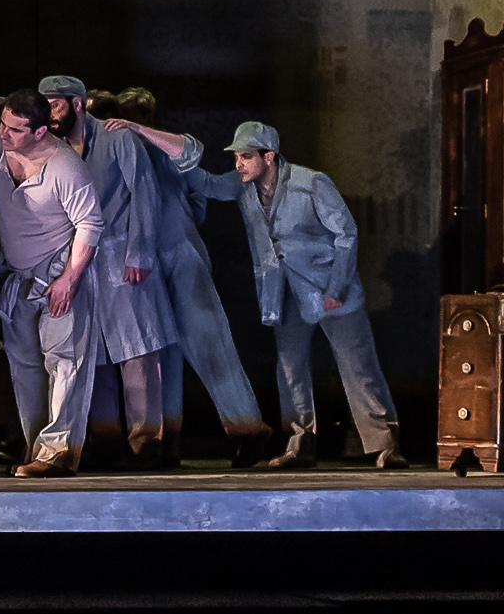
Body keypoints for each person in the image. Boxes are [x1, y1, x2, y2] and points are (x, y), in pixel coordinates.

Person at [176, 121, 402, 469]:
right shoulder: (242, 186)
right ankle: (299, 445)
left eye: (246, 156)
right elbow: (207, 185)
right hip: (283, 293)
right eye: (236, 156)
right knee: (290, 370)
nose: (239, 164)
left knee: (359, 367)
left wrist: (336, 288)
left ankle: (385, 444)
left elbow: (346, 234)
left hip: (329, 290)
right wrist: (173, 154)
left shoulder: (311, 184)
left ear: (269, 156)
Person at [100, 101, 276, 466]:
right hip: (152, 255)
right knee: (162, 351)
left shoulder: (154, 148)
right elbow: (198, 198)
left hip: (173, 252)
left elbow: (194, 169)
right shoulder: (118, 151)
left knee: (207, 345)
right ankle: (170, 444)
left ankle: (247, 430)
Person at [41, 73, 183, 467]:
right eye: (46, 107)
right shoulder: (53, 149)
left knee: (138, 351)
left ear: (76, 103)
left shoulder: (118, 138)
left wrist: (140, 252)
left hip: (122, 258)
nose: (50, 114)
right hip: (83, 264)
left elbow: (144, 192)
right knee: (96, 354)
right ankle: (105, 442)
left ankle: (147, 441)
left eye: (55, 105)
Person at [0, 91, 101, 475]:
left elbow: (90, 225)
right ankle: (35, 445)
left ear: (42, 130)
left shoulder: (65, 166)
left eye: (14, 129)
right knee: (24, 362)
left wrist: (69, 279)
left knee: (64, 360)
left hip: (60, 269)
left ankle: (59, 452)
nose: (3, 133)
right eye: (2, 124)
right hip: (17, 273)